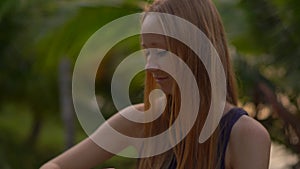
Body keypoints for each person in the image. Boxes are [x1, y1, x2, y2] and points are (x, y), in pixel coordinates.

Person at [40, 0, 271, 168]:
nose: (149, 66)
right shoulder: (140, 123)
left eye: (161, 51)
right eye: (146, 51)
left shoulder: (245, 137)